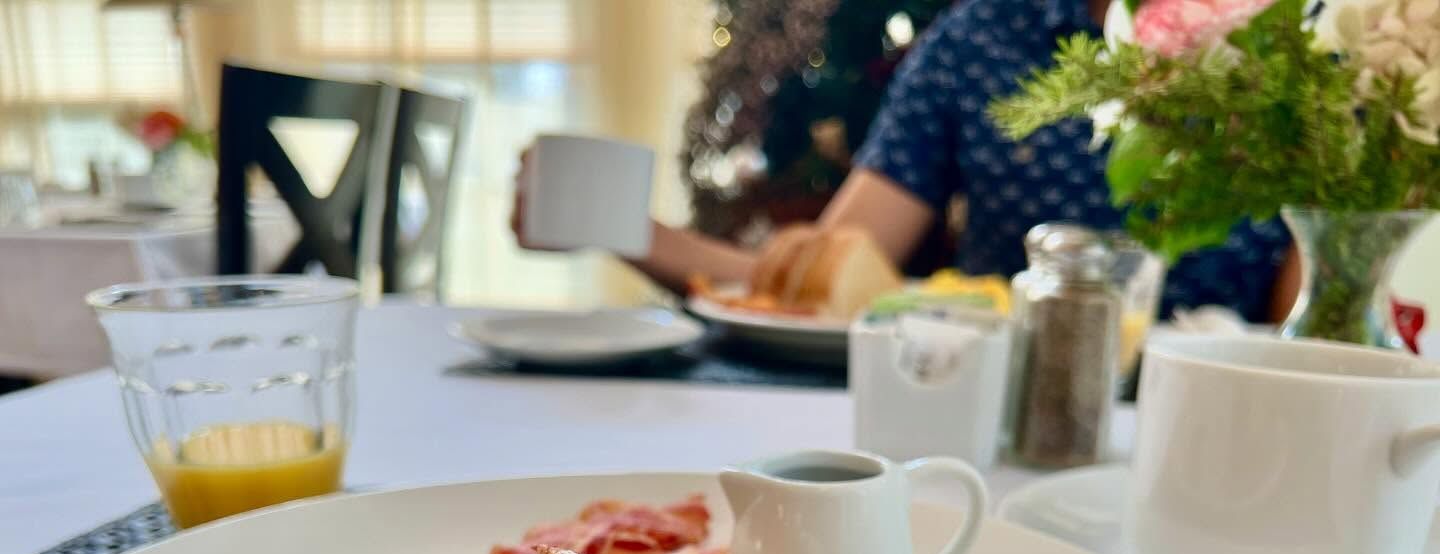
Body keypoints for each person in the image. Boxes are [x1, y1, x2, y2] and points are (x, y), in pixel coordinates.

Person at [513, 0, 1297, 322]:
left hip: (1226, 446)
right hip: (1000, 445)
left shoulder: (1311, 54)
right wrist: (623, 229)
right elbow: (827, 276)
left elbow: (1331, 324)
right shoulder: (982, 38)